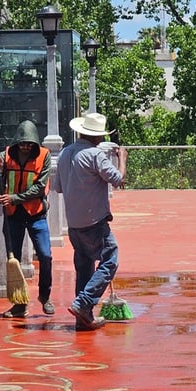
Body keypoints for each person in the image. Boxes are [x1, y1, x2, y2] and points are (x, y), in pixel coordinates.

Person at [54, 112, 125, 331]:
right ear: (97, 137)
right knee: (110, 260)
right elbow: (119, 179)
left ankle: (83, 319)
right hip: (94, 222)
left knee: (84, 268)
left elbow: (58, 187)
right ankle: (83, 303)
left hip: (74, 224)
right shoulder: (95, 155)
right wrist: (122, 158)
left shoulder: (65, 154)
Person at [0, 120, 55, 318]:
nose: (26, 147)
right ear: (17, 141)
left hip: (36, 213)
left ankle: (45, 296)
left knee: (45, 255)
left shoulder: (44, 156)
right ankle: (19, 305)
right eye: (23, 143)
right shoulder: (5, 156)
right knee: (14, 259)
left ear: (35, 143)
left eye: (29, 144)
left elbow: (40, 187)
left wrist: (15, 198)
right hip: (13, 215)